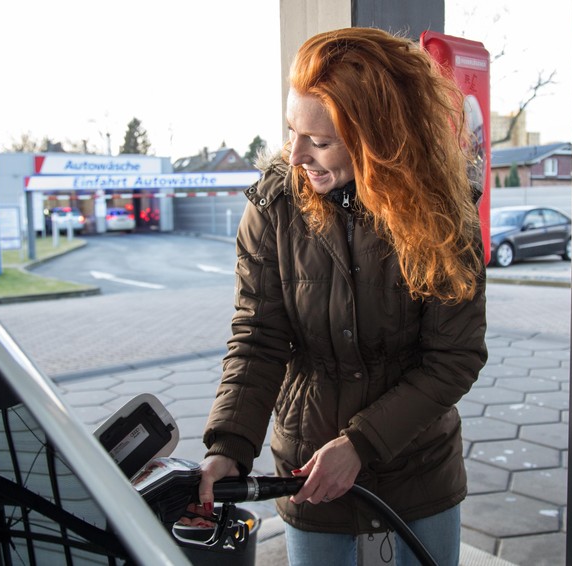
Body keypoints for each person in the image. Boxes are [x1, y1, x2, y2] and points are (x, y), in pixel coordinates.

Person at [194, 27, 487, 566]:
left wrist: (362, 445)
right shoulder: (274, 203)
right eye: (292, 131)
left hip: (416, 477)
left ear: (376, 137)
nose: (297, 154)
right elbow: (257, 338)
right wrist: (228, 449)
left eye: (321, 141)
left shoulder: (442, 211)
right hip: (311, 483)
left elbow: (454, 357)